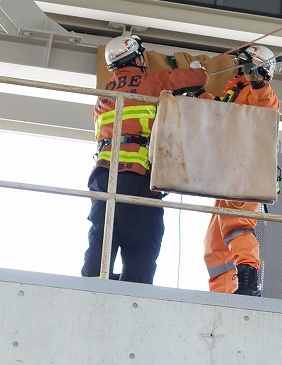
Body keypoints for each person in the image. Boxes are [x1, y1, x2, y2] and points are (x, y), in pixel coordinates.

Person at [82, 33, 210, 283]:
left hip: (102, 176)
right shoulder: (152, 81)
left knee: (102, 233)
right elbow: (197, 79)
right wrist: (197, 69)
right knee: (142, 240)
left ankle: (91, 284)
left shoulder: (104, 95)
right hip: (136, 175)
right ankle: (134, 290)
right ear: (137, 57)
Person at [202, 44, 282, 297]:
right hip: (229, 172)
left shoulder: (256, 92)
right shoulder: (232, 93)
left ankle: (248, 284)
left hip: (245, 170)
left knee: (237, 226)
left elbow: (268, 109)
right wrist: (193, 92)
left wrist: (258, 83)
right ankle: (223, 293)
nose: (237, 68)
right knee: (215, 244)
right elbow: (216, 112)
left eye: (243, 64)